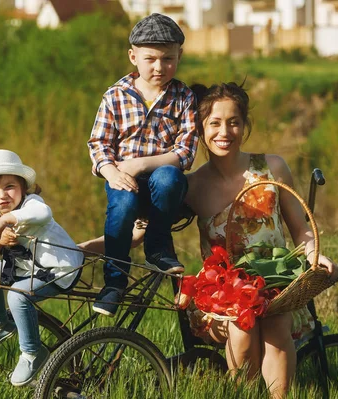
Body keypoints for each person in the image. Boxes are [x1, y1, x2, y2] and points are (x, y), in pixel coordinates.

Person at [80, 82, 338, 398]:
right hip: (224, 290)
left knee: (275, 327)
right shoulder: (192, 187)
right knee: (243, 328)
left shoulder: (271, 167)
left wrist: (315, 255)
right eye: (214, 123)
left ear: (244, 125)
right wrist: (83, 249)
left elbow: (301, 228)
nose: (225, 131)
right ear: (199, 129)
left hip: (274, 281)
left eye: (234, 122)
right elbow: (138, 234)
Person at [87, 13, 198, 317]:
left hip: (164, 187)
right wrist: (111, 171)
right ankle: (114, 282)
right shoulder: (115, 96)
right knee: (121, 209)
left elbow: (186, 151)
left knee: (168, 177)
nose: (159, 67)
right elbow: (99, 144)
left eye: (168, 59)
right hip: (124, 181)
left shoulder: (183, 97)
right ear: (133, 56)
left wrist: (139, 164)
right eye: (150, 59)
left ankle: (158, 248)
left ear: (179, 56)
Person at [0, 149, 83, 387]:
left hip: (58, 269)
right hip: (26, 266)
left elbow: (42, 214)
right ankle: (0, 323)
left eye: (10, 186)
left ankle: (32, 353)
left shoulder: (32, 203)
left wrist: (6, 220)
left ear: (23, 188)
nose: (2, 195)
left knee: (18, 296)